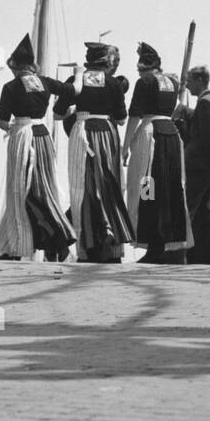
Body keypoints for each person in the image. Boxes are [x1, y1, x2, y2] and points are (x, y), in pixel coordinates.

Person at [0, 34, 76, 262]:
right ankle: (24, 245)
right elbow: (71, 91)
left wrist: (10, 127)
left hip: (23, 136)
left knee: (22, 192)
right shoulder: (46, 82)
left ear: (16, 67)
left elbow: (2, 121)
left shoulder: (10, 87)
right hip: (43, 136)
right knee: (43, 188)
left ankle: (51, 240)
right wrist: (64, 110)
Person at [54, 41, 134, 263]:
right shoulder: (113, 83)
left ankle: (85, 245)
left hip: (82, 131)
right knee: (109, 184)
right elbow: (121, 118)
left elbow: (58, 114)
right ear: (105, 62)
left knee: (82, 188)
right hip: (107, 132)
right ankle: (110, 236)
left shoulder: (74, 81)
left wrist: (74, 109)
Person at [125, 42, 191, 264]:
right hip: (171, 137)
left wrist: (125, 146)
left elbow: (134, 116)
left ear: (143, 66)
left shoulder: (144, 83)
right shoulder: (172, 82)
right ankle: (167, 240)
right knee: (169, 188)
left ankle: (151, 238)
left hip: (150, 136)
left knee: (146, 185)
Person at [177, 65, 210, 264]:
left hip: (199, 167)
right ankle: (209, 257)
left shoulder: (205, 104)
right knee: (207, 216)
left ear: (200, 80)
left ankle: (179, 254)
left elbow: (206, 139)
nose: (187, 85)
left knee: (188, 210)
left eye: (189, 80)